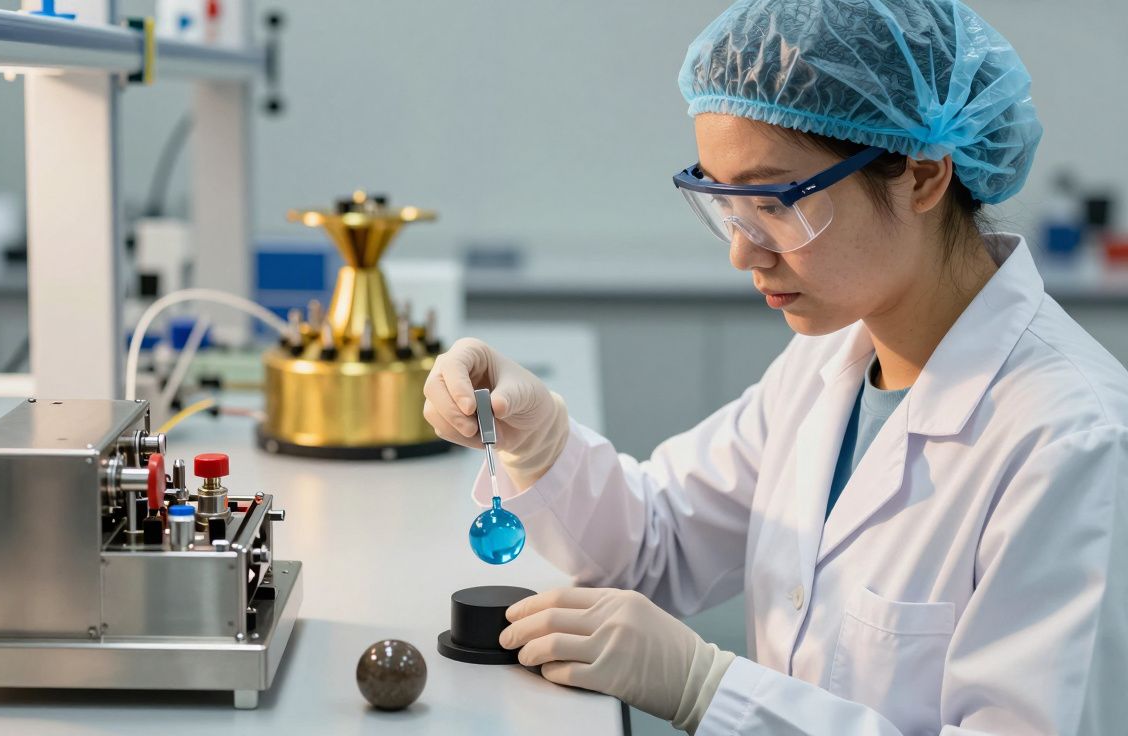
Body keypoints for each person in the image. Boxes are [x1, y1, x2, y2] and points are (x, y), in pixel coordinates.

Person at [423, 0, 1128, 733]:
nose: (742, 251)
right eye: (725, 202)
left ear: (922, 176)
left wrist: (708, 690)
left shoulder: (1072, 440)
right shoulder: (833, 358)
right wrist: (541, 440)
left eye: (778, 202)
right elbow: (655, 543)